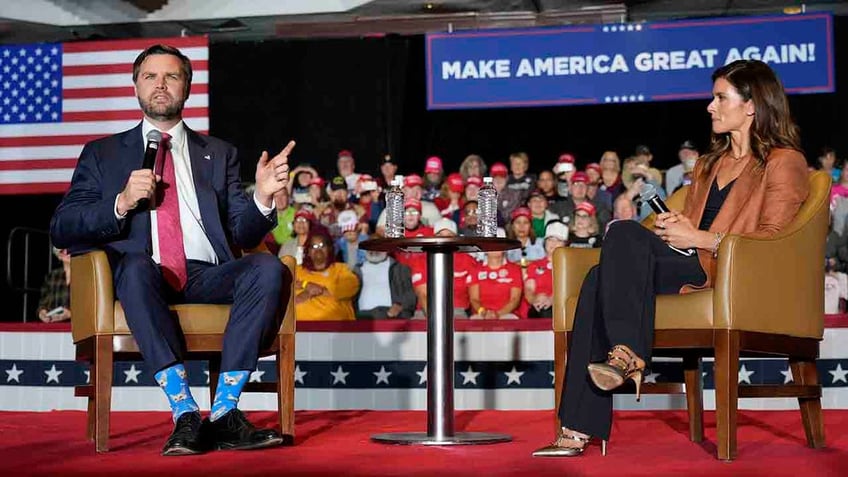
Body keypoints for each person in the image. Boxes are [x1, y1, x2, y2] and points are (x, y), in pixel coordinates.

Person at [533, 59, 809, 457]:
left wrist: (697, 236)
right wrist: (680, 226)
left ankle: (586, 415)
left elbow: (772, 240)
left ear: (751, 105)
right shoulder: (708, 164)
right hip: (688, 260)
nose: (709, 106)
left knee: (602, 272)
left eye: (719, 98)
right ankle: (621, 363)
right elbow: (691, 228)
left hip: (736, 273)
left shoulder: (783, 162)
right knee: (615, 248)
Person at [49, 44, 294, 456]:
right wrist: (121, 202)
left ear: (187, 87)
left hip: (206, 273)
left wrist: (264, 199)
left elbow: (242, 229)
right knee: (136, 268)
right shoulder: (103, 153)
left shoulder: (219, 153)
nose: (160, 85)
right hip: (141, 276)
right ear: (136, 87)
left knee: (269, 270)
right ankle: (183, 411)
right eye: (150, 76)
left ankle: (225, 413)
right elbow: (63, 227)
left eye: (171, 76)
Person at [295, 229, 360, 321]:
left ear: (329, 248)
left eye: (322, 245)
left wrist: (319, 290)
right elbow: (284, 295)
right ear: (308, 251)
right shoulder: (296, 270)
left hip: (337, 328)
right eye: (314, 246)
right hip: (302, 329)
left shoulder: (341, 269)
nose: (318, 249)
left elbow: (349, 289)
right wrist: (306, 285)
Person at [468, 228, 524, 320]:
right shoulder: (476, 269)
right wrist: (483, 312)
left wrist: (498, 314)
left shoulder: (514, 269)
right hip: (482, 315)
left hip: (507, 314)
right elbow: (474, 299)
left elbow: (514, 299)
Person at [354, 246, 417, 319]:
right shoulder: (356, 270)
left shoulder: (400, 269)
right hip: (361, 316)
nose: (374, 251)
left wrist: (401, 306)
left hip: (391, 315)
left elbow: (410, 294)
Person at [524, 221, 568, 318]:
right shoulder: (535, 265)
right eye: (550, 239)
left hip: (561, 307)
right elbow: (529, 289)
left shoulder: (569, 266)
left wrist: (552, 299)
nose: (553, 243)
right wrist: (535, 299)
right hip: (538, 306)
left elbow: (569, 290)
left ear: (565, 244)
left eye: (558, 240)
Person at [36, 247, 71, 323]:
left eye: (70, 249)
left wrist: (70, 314)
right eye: (62, 250)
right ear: (59, 255)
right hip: (54, 325)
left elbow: (92, 307)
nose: (67, 252)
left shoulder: (86, 275)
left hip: (79, 326)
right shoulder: (52, 276)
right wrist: (42, 313)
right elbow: (43, 303)